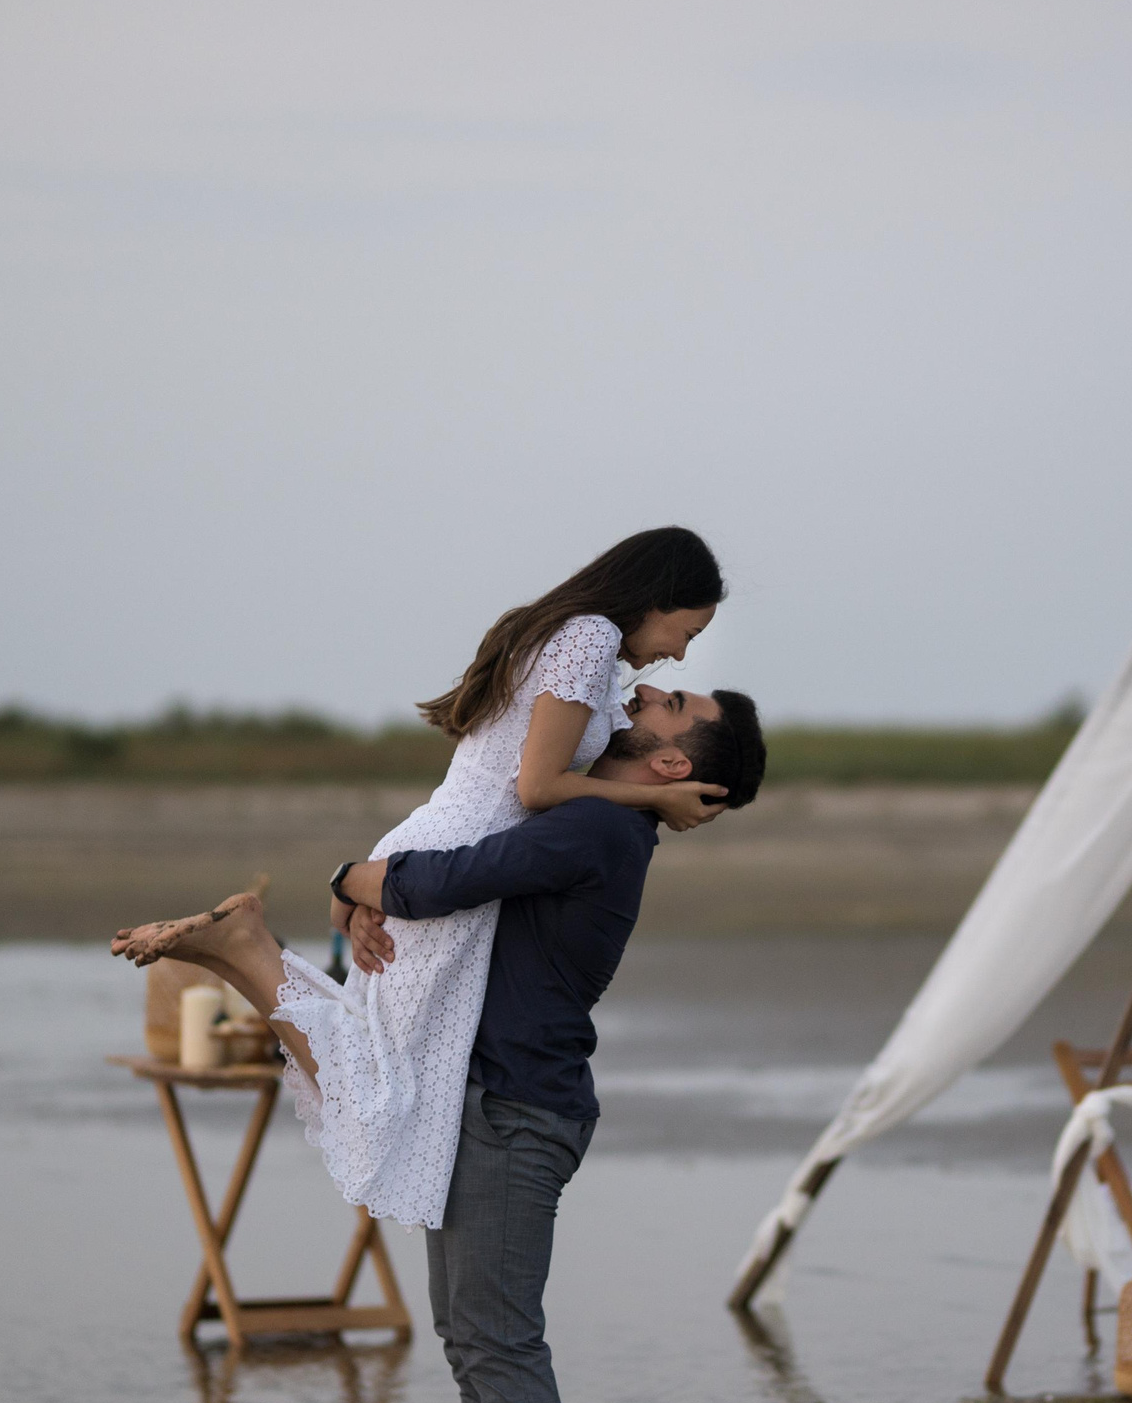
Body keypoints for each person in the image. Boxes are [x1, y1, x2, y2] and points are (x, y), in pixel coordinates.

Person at [115, 689, 767, 1403]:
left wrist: (349, 874)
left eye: (666, 703)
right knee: (472, 1340)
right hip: (488, 1100)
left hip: (518, 1110)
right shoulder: (596, 819)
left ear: (672, 762)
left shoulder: (594, 830)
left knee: (503, 1344)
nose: (638, 694)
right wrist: (357, 891)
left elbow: (442, 879)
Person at [127, 527, 729, 1230]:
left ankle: (250, 955)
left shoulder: (566, 630)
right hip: (457, 864)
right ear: (653, 598)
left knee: (376, 1053)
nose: (679, 653)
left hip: (440, 844)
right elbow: (536, 787)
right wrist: (653, 798)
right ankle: (248, 951)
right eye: (684, 630)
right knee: (382, 1083)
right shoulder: (590, 637)